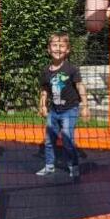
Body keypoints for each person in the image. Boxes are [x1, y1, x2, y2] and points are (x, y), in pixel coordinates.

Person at [36, 33, 90, 179]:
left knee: (67, 139)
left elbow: (80, 86)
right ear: (49, 49)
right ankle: (49, 165)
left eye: (61, 46)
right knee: (49, 140)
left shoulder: (71, 69)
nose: (58, 49)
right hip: (54, 111)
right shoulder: (45, 71)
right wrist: (42, 105)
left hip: (70, 110)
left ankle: (74, 166)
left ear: (67, 50)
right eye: (54, 45)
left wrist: (85, 106)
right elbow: (44, 90)